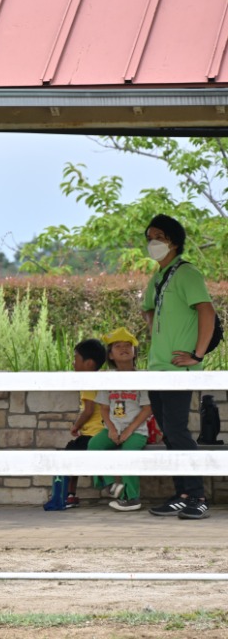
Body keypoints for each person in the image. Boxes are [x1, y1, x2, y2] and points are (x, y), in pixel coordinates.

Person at [142, 215, 217, 520]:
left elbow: (207, 311)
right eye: (149, 237)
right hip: (157, 367)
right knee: (168, 433)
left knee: (177, 430)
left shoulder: (187, 273)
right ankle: (182, 493)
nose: (152, 242)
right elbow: (148, 309)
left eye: (158, 236)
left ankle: (197, 496)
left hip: (178, 370)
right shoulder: (158, 277)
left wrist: (197, 355)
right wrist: (159, 333)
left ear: (173, 240)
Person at [87, 328, 152, 512]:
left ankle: (132, 498)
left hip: (136, 431)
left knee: (127, 454)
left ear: (134, 352)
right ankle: (110, 486)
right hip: (113, 429)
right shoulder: (108, 378)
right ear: (111, 355)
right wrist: (112, 430)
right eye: (118, 346)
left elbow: (147, 408)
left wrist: (128, 431)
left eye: (128, 346)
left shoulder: (142, 378)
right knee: (94, 445)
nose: (124, 348)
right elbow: (104, 408)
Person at [64, 338, 107, 507]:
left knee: (68, 455)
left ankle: (69, 494)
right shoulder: (100, 380)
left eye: (76, 359)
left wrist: (76, 425)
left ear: (89, 363)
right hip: (101, 432)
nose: (73, 363)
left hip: (93, 434)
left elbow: (88, 410)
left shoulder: (89, 382)